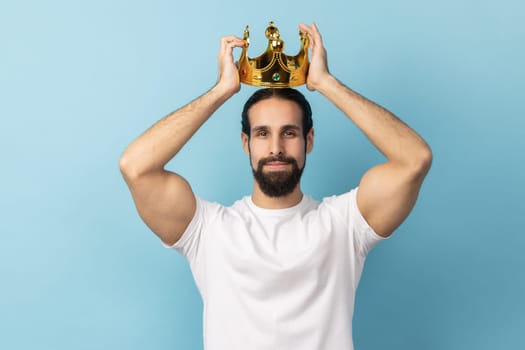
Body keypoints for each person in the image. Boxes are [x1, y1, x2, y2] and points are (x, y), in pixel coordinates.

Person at [120, 22, 432, 350]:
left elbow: (415, 160)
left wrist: (326, 84)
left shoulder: (344, 225)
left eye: (289, 132)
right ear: (246, 143)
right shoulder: (208, 232)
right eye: (263, 133)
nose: (276, 149)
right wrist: (221, 90)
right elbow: (136, 167)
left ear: (308, 140)